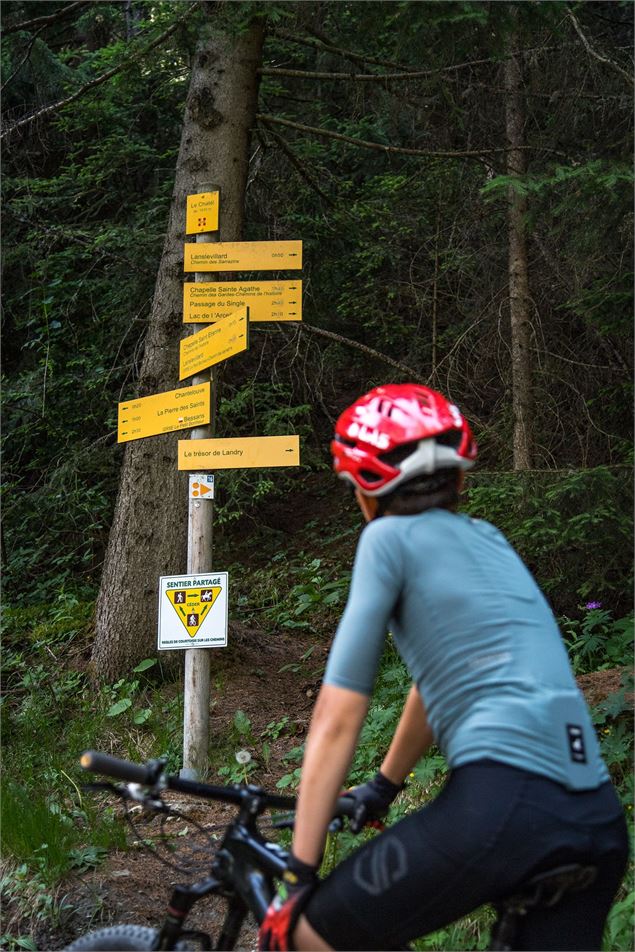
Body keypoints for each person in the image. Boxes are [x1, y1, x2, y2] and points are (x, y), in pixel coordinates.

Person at [258, 383, 628, 952]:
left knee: (302, 937)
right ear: (459, 478)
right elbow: (433, 686)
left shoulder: (385, 539)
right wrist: (384, 786)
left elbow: (338, 713)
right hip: (596, 818)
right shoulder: (489, 540)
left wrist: (298, 874)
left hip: (503, 803)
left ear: (365, 490)